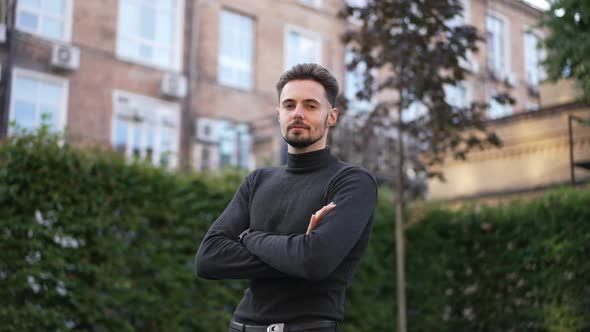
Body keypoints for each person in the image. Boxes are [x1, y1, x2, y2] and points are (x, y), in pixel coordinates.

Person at [195, 63, 377, 332]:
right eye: (290, 105)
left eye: (311, 106)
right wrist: (297, 252)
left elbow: (315, 261)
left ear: (332, 116)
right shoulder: (257, 181)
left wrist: (249, 237)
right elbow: (209, 259)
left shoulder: (351, 182)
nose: (298, 114)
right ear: (279, 113)